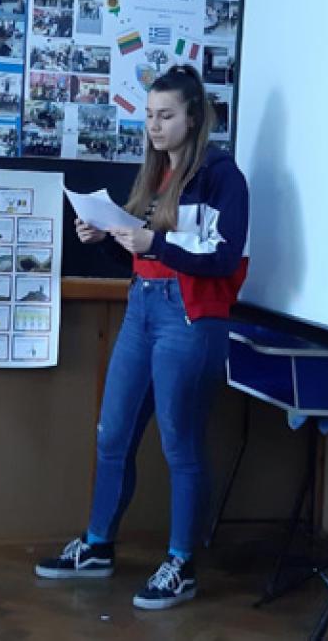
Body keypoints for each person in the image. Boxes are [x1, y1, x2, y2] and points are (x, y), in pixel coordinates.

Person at [34, 64, 249, 611]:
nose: (154, 126)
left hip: (190, 316)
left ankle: (182, 564)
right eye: (149, 115)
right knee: (112, 434)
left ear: (193, 117)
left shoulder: (223, 177)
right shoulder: (153, 175)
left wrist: (155, 242)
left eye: (166, 115)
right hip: (142, 310)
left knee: (179, 443)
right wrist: (105, 238)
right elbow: (141, 257)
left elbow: (225, 258)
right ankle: (98, 546)